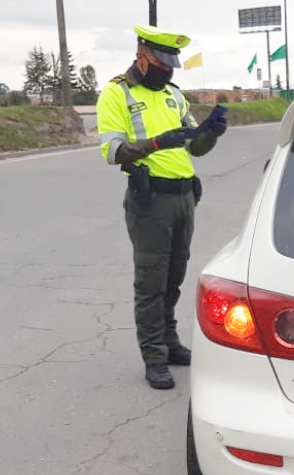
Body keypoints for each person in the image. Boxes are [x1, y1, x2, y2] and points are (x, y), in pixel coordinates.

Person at [96, 24, 227, 389]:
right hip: (150, 200)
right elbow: (112, 151)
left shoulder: (173, 95)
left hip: (185, 197)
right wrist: (156, 143)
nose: (167, 71)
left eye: (171, 65)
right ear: (142, 57)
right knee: (151, 281)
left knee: (174, 277)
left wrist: (210, 134)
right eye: (161, 63)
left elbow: (193, 147)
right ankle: (153, 355)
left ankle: (169, 343)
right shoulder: (116, 94)